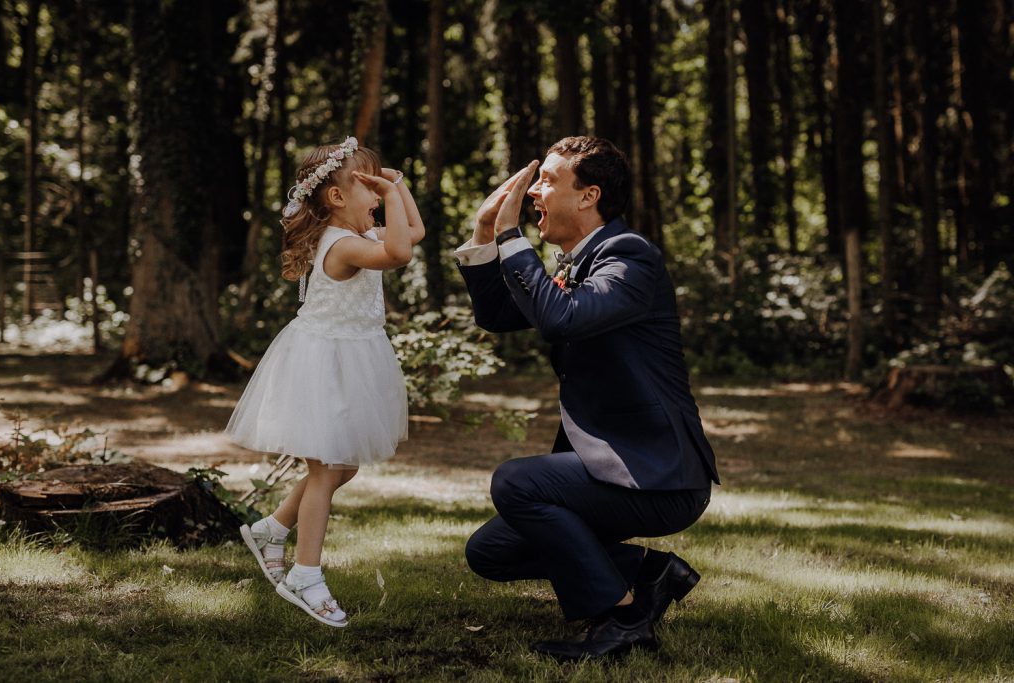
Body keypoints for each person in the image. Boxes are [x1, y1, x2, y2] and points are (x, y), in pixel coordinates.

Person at [454, 136, 719, 659]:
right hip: (617, 469)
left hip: (659, 476)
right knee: (492, 551)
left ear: (588, 195)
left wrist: (512, 236)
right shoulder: (572, 261)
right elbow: (498, 315)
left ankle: (622, 619)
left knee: (515, 481)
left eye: (548, 180)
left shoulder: (629, 256)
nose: (533, 191)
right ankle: (650, 572)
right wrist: (487, 235)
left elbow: (561, 318)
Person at [226, 136, 425, 628]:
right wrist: (395, 194)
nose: (379, 197)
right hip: (323, 364)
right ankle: (305, 573)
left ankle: (272, 528)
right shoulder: (344, 245)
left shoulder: (359, 236)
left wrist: (397, 187)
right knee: (325, 470)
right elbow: (400, 252)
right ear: (337, 197)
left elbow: (413, 231)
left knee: (345, 465)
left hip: (351, 357)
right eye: (370, 187)